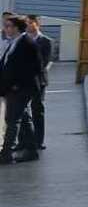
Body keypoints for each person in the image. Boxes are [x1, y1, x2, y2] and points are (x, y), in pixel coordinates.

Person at [0, 15, 45, 164]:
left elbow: (34, 68)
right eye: (5, 26)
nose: (5, 28)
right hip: (13, 88)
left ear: (17, 28)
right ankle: (32, 150)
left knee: (12, 120)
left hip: (21, 89)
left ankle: (6, 154)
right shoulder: (14, 42)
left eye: (8, 26)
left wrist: (16, 85)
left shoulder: (27, 43)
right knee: (23, 119)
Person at [25, 15, 52, 150]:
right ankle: (24, 141)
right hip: (23, 81)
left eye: (31, 23)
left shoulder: (45, 41)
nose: (28, 25)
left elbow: (44, 62)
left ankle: (38, 141)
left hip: (38, 81)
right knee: (23, 112)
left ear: (37, 24)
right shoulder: (22, 40)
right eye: (27, 23)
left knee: (37, 110)